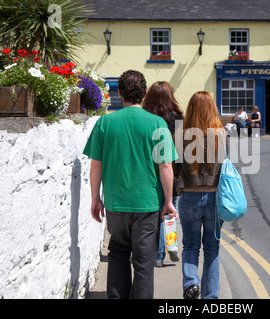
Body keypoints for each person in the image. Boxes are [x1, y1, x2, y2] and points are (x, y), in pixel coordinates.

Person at [83, 70, 178, 299]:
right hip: (147, 204)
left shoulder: (105, 122)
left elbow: (96, 165)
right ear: (144, 93)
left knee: (117, 254)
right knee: (144, 263)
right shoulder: (157, 123)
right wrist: (168, 201)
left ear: (119, 92)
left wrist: (95, 198)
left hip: (116, 203)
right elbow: (165, 166)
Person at [174, 91, 227, 299]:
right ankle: (210, 297)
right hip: (215, 198)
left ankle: (191, 284)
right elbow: (226, 167)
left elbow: (176, 168)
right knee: (212, 249)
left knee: (190, 246)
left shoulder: (180, 134)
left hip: (189, 198)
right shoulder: (221, 134)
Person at [142, 81, 184, 267]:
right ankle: (171, 244)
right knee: (170, 211)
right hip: (172, 173)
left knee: (153, 216)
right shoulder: (178, 119)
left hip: (149, 173)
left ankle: (157, 255)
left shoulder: (145, 118)